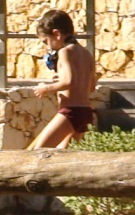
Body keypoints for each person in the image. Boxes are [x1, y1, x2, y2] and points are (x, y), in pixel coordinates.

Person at [28, 9, 96, 149]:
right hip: (85, 112)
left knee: (38, 151)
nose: (48, 47)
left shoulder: (65, 52)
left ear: (57, 34)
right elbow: (91, 86)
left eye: (46, 41)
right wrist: (60, 77)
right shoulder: (86, 53)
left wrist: (45, 88)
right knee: (64, 155)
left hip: (70, 112)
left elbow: (69, 81)